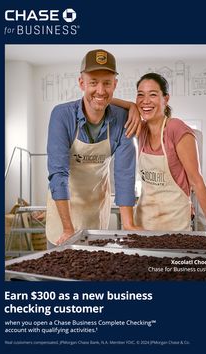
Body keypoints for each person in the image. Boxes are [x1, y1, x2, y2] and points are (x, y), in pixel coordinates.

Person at [112, 72, 206, 241]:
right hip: (143, 226)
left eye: (153, 94)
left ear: (165, 99)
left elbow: (196, 181)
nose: (145, 101)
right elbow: (105, 100)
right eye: (140, 95)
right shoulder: (140, 130)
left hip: (175, 227)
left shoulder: (176, 128)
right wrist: (131, 106)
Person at [46, 49, 141, 248]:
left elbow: (124, 174)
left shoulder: (123, 119)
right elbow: (58, 173)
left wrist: (129, 225)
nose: (100, 90)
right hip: (63, 213)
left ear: (115, 84)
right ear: (81, 83)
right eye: (93, 82)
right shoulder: (62, 116)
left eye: (107, 82)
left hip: (96, 210)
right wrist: (67, 229)